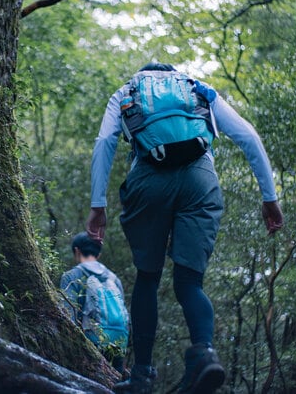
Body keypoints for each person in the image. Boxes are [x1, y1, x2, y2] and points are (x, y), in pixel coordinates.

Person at [86, 62, 284, 394]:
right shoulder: (196, 88)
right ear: (173, 74)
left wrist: (98, 205)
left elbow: (105, 140)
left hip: (147, 179)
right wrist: (269, 198)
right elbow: (248, 135)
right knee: (190, 282)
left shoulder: (126, 92)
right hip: (200, 179)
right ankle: (204, 355)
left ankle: (141, 377)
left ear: (145, 75)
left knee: (148, 277)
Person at [60, 232, 130, 375]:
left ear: (77, 251)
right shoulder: (114, 279)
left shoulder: (72, 276)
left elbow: (68, 315)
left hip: (91, 341)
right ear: (98, 254)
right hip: (120, 341)